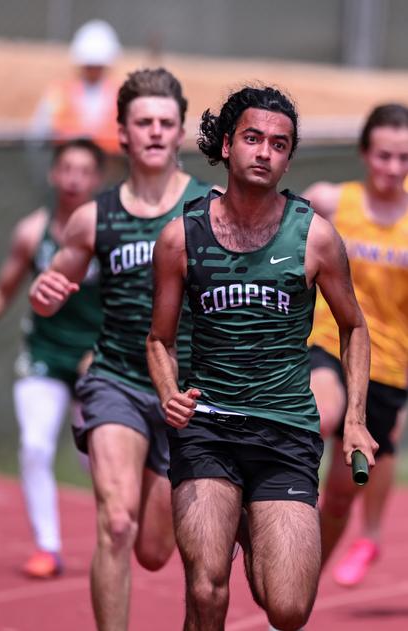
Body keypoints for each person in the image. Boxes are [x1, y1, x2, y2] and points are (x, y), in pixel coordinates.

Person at [146, 86, 378, 631]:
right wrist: (168, 394)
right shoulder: (181, 238)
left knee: (289, 610)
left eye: (279, 143)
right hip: (209, 427)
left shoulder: (315, 237)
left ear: (288, 157)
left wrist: (355, 420)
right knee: (206, 585)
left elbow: (354, 327)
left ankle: (252, 523)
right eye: (253, 138)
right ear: (227, 145)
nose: (264, 151)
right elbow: (159, 339)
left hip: (285, 431)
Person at [29, 67, 213, 631]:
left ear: (180, 133)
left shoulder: (214, 209)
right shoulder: (93, 218)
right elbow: (48, 295)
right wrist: (44, 296)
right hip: (117, 379)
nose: (156, 132)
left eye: (166, 123)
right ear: (123, 135)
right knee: (115, 523)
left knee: (156, 550)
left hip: (186, 393)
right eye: (144, 123)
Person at [0, 138, 106, 579]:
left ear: (98, 179)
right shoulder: (32, 232)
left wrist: (107, 347)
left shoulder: (111, 232)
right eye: (65, 168)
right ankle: (47, 548)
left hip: (101, 360)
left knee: (101, 460)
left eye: (83, 170)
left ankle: (113, 535)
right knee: (35, 446)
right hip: (44, 357)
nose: (73, 178)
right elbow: (1, 291)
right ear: (52, 174)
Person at [302, 103, 408, 587]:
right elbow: (270, 223)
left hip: (388, 369)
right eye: (384, 155)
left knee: (342, 494)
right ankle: (258, 491)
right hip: (328, 342)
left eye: (403, 159)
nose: (392, 168)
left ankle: (302, 587)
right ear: (365, 153)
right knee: (324, 416)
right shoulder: (329, 200)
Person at [29, 19, 122, 154]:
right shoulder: (58, 94)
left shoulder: (121, 96)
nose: (93, 70)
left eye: (97, 65)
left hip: (111, 168)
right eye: (89, 65)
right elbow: (38, 134)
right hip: (67, 167)